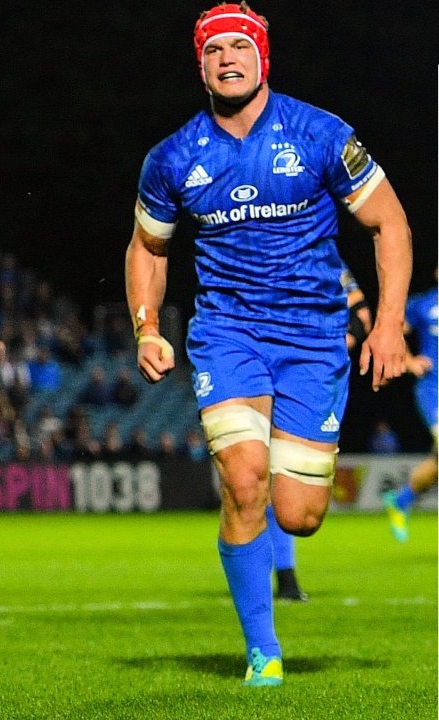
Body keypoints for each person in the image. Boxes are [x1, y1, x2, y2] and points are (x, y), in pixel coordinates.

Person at [123, 2, 412, 687]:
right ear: (200, 66)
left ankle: (280, 575)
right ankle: (263, 651)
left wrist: (388, 323)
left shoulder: (320, 133)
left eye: (239, 46)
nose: (227, 58)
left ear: (262, 57)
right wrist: (146, 325)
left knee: (299, 515)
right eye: (214, 49)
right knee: (243, 478)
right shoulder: (173, 157)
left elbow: (390, 225)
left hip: (314, 338)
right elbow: (147, 248)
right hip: (228, 335)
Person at [266, 261, 374, 603]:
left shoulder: (326, 259)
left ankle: (281, 577)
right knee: (254, 475)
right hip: (260, 366)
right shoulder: (247, 247)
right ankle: (281, 579)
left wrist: (334, 344)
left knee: (296, 498)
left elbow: (361, 315)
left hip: (310, 377)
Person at [383, 280, 437, 542]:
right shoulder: (425, 303)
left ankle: (401, 500)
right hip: (434, 388)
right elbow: (393, 328)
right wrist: (408, 360)